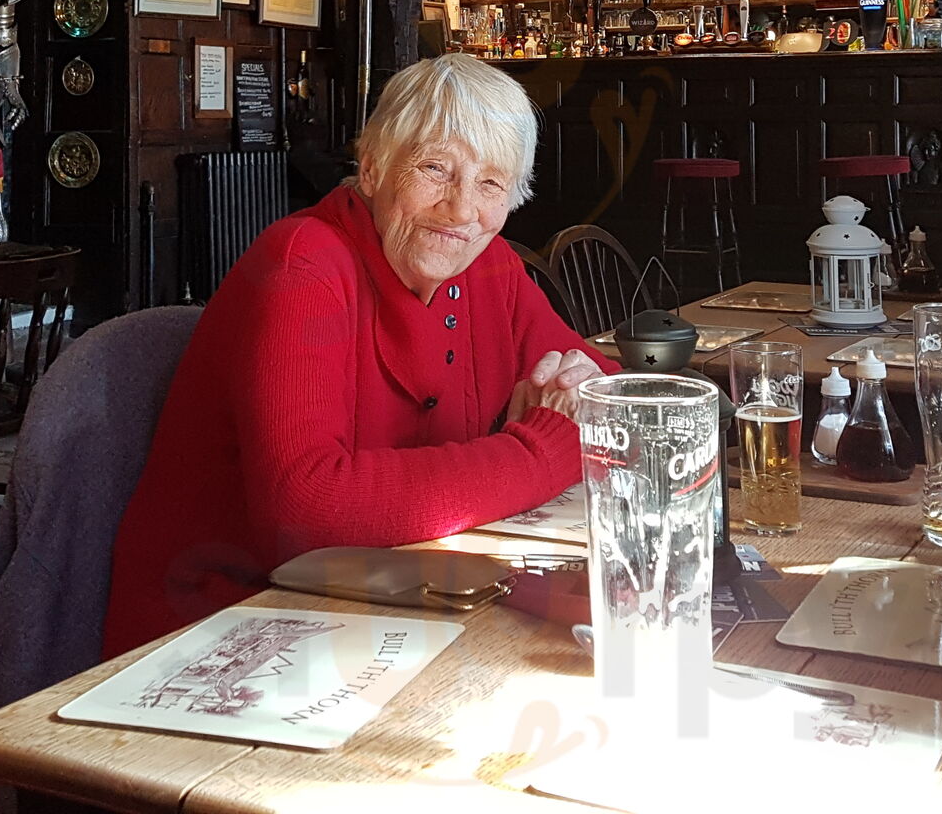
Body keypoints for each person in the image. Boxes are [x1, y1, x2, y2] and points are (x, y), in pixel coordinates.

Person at [104, 54, 613, 656]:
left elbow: (611, 394)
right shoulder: (303, 268)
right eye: (435, 169)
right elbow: (305, 512)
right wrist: (544, 449)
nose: (461, 210)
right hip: (231, 627)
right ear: (372, 169)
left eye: (491, 184)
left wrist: (581, 390)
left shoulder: (488, 263)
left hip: (406, 597)